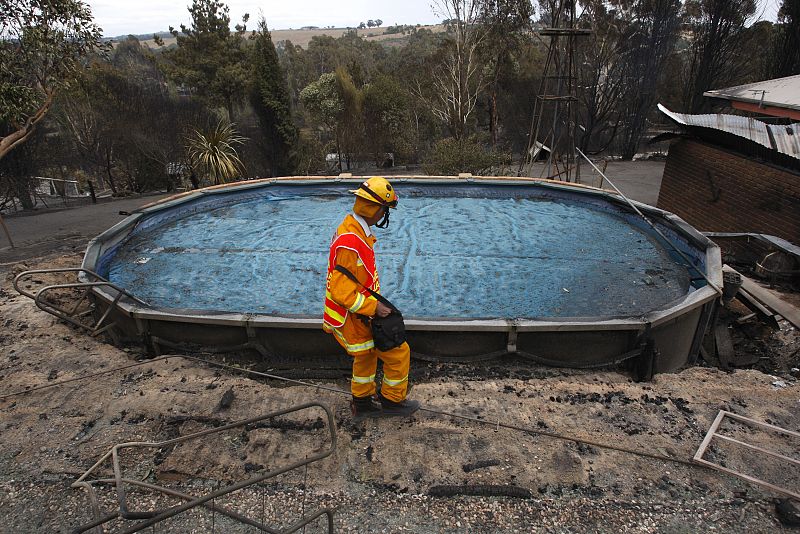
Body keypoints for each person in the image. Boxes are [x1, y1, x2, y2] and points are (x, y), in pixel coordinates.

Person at [323, 176, 420, 419]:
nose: (384, 215)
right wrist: (374, 308)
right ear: (375, 209)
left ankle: (362, 403)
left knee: (365, 357)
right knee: (399, 352)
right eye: (385, 210)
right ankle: (392, 401)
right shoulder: (351, 243)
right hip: (355, 316)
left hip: (354, 315)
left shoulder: (352, 228)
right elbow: (342, 291)